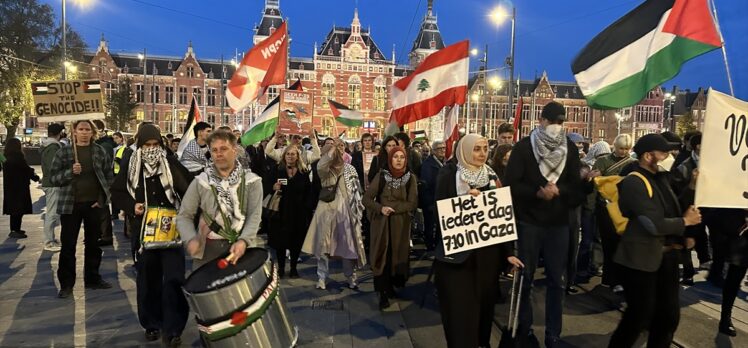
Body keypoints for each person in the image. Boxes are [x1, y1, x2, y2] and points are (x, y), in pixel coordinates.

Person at [504, 101, 588, 346]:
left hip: (558, 224)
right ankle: (525, 328)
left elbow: (575, 190)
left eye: (560, 122)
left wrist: (565, 189)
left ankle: (553, 333)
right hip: (529, 222)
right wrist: (537, 193)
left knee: (556, 280)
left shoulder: (570, 149)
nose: (555, 127)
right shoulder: (523, 148)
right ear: (541, 121)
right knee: (525, 278)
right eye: (552, 122)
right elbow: (511, 184)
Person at [609, 133, 702, 348]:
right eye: (664, 153)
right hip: (640, 261)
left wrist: (692, 188)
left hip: (666, 257)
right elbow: (653, 224)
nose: (669, 156)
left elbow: (673, 208)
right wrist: (684, 223)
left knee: (668, 317)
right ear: (648, 156)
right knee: (639, 317)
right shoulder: (634, 182)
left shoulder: (661, 177)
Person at [433, 134, 523, 347]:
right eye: (476, 149)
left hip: (487, 259)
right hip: (458, 261)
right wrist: (464, 202)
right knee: (460, 314)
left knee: (483, 311)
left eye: (484, 149)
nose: (482, 153)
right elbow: (439, 213)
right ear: (464, 151)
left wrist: (508, 253)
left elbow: (501, 218)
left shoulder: (492, 177)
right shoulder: (449, 175)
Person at [110, 124, 192, 347]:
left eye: (156, 144)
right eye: (147, 145)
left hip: (171, 231)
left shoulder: (170, 162)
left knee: (174, 278)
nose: (152, 149)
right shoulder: (131, 163)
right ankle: (152, 324)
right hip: (144, 232)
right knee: (148, 279)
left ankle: (174, 327)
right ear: (140, 145)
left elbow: (189, 188)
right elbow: (116, 192)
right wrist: (131, 206)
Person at [176, 130, 263, 269]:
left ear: (235, 150)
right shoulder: (202, 181)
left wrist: (244, 241)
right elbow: (184, 215)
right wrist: (190, 239)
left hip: (242, 249)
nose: (219, 154)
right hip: (208, 250)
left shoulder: (252, 181)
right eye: (214, 150)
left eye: (224, 149)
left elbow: (255, 216)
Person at [51, 120, 114, 298]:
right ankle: (66, 283)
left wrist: (102, 200)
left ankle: (93, 278)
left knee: (93, 244)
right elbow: (53, 178)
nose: (84, 132)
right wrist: (70, 171)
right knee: (68, 245)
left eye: (88, 129)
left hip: (93, 204)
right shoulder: (64, 152)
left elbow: (109, 177)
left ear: (93, 132)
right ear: (74, 132)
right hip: (70, 205)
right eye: (81, 129)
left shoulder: (99, 151)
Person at [303, 139, 367, 290]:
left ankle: (351, 277)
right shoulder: (325, 168)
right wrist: (331, 151)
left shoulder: (350, 169)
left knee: (348, 247)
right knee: (323, 247)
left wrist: (358, 211)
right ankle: (321, 278)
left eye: (341, 146)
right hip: (326, 211)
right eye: (335, 147)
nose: (338, 149)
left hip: (346, 212)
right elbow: (321, 165)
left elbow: (358, 190)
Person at [363, 146, 418, 309]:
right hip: (382, 225)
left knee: (396, 255)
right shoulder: (381, 176)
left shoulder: (410, 178)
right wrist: (381, 208)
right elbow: (366, 199)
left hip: (400, 225)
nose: (399, 160)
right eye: (396, 157)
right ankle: (382, 293)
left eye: (402, 157)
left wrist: (395, 209)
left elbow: (412, 202)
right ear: (390, 158)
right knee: (382, 256)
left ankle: (391, 287)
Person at [593, 134, 635, 292]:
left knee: (621, 245)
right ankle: (609, 278)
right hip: (605, 208)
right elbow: (595, 185)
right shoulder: (602, 161)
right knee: (608, 244)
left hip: (622, 209)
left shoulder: (632, 163)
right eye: (621, 148)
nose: (624, 151)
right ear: (614, 147)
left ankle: (617, 279)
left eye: (626, 149)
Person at [268, 145, 312, 278]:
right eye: (288, 154)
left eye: (293, 154)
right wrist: (273, 187)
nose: (290, 156)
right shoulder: (277, 170)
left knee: (296, 242)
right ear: (284, 156)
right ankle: (281, 268)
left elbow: (309, 192)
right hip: (281, 212)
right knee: (281, 242)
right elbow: (266, 185)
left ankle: (293, 267)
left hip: (298, 212)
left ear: (297, 156)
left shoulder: (304, 172)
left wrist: (306, 209)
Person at [3, 138, 40, 239]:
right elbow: (26, 170)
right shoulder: (18, 157)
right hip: (19, 187)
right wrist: (36, 178)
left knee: (14, 210)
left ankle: (14, 229)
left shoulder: (6, 157)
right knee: (19, 209)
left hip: (10, 187)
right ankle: (16, 230)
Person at [40, 123, 65, 250]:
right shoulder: (53, 148)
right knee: (52, 213)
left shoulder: (48, 146)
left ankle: (51, 239)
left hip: (50, 182)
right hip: (53, 183)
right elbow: (53, 167)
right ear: (59, 133)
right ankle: (48, 241)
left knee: (52, 212)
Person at [418, 140, 446, 251]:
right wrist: (429, 202)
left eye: (444, 148)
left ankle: (437, 245)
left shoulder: (443, 162)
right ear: (433, 151)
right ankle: (430, 247)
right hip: (430, 201)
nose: (443, 150)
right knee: (429, 225)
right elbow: (426, 185)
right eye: (440, 148)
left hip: (440, 200)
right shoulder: (428, 164)